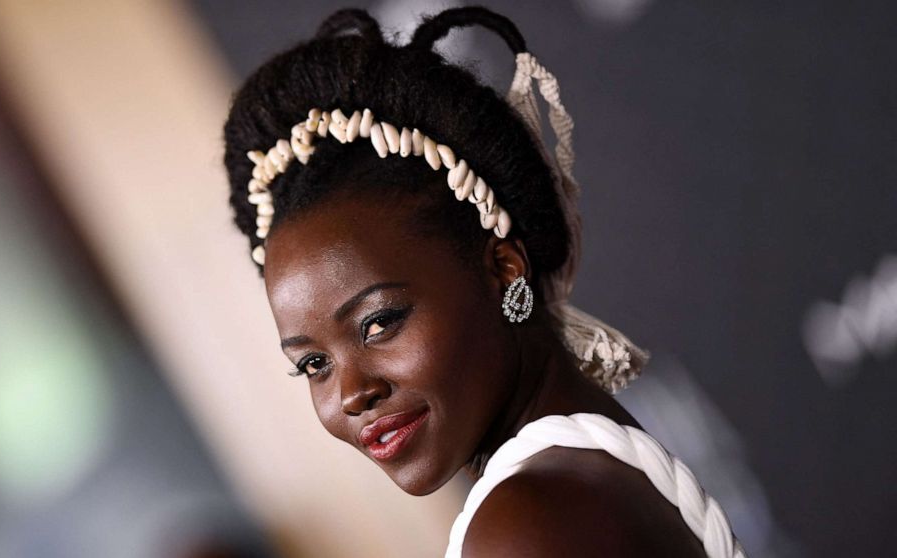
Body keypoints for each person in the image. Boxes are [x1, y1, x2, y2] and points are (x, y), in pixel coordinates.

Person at [223, 7, 743, 557]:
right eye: (313, 364)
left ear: (503, 269)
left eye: (378, 323)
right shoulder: (580, 476)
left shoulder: (526, 524)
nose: (353, 395)